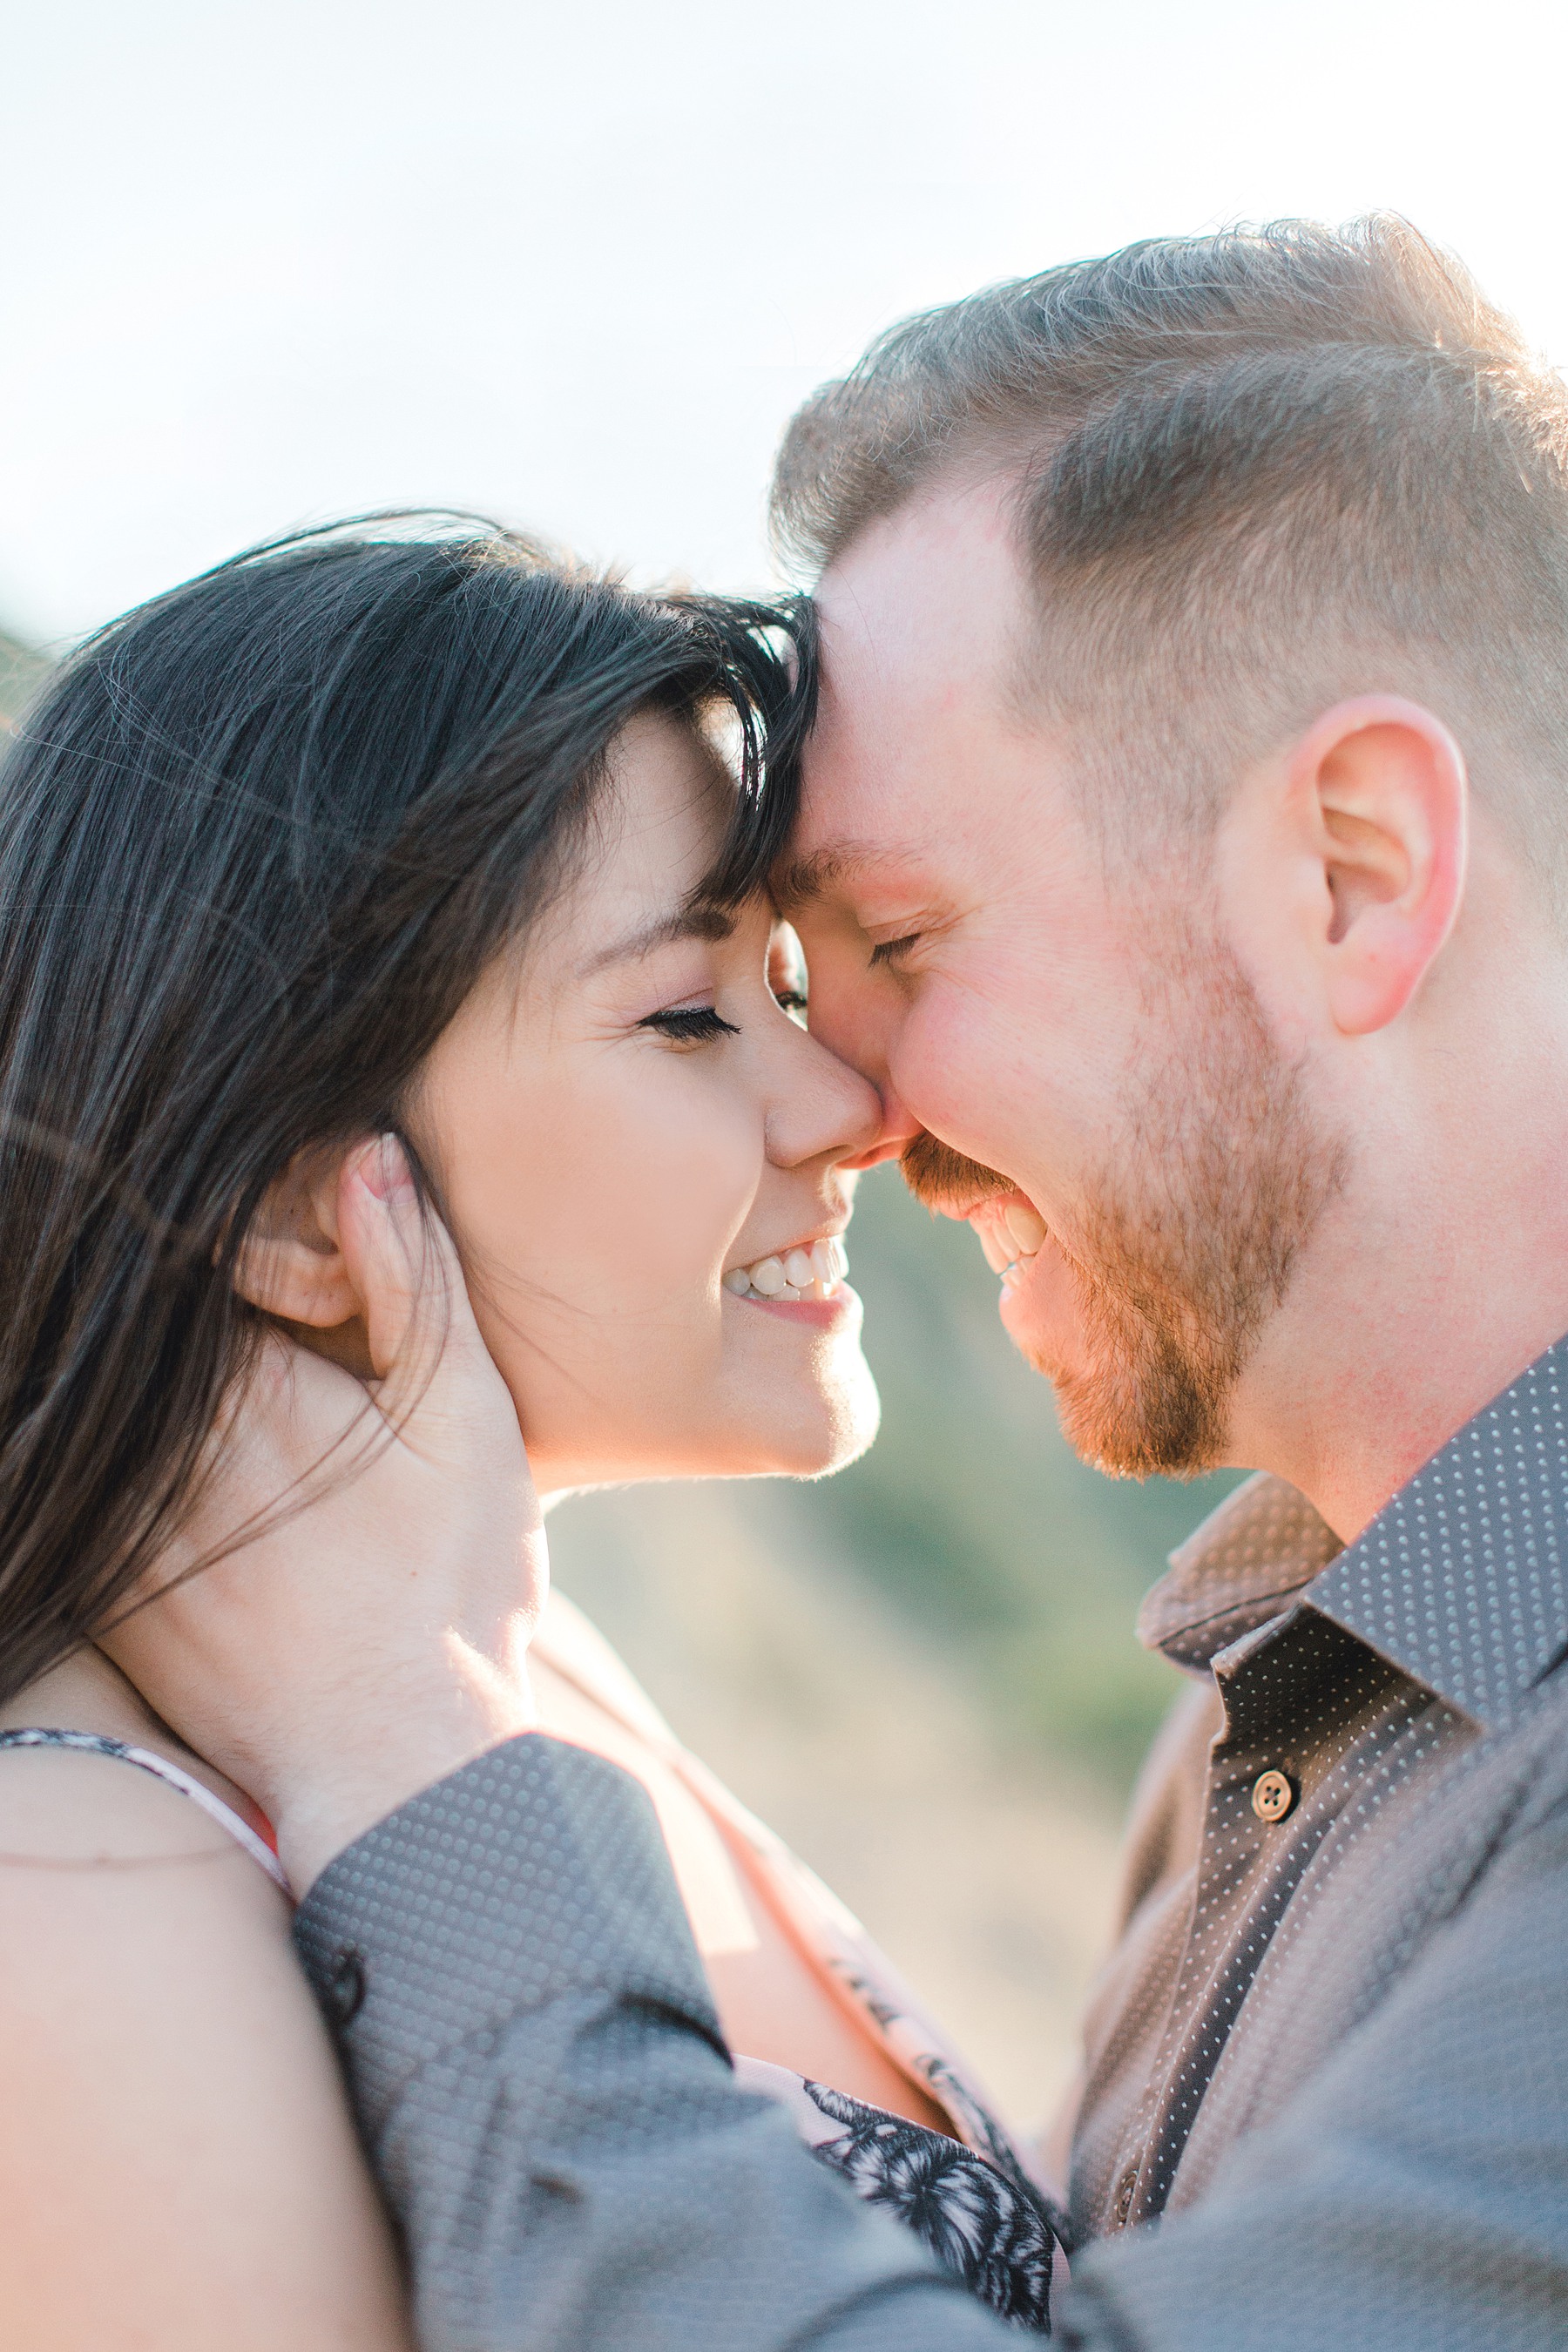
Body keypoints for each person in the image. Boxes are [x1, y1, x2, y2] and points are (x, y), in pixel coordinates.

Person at [113, 214, 1568, 2349]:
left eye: (898, 941)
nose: (857, 1110)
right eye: (741, 993)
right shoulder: (1287, 1708)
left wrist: (407, 1759)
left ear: (1351, 873)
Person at [0, 521, 1064, 2347]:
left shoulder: (512, 1676)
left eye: (792, 998)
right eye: (686, 1015)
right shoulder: (78, 1924)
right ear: (280, 1201)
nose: (850, 1110)